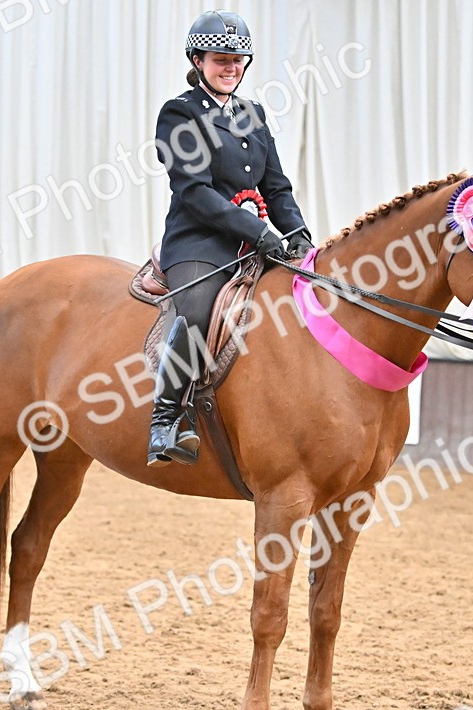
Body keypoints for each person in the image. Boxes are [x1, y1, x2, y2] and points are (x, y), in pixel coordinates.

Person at [148, 9, 314, 468]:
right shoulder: (179, 113)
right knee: (200, 308)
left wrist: (299, 237)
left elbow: (276, 188)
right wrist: (261, 233)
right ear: (198, 60)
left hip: (253, 242)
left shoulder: (252, 115)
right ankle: (165, 421)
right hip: (197, 243)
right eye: (221, 59)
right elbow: (195, 192)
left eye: (239, 59)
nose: (231, 67)